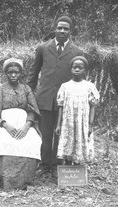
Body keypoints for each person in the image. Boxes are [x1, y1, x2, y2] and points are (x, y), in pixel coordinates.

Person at [27, 16, 83, 175]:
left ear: (70, 31)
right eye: (60, 28)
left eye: (66, 29)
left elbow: (80, 78)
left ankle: (58, 165)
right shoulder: (43, 48)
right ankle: (44, 164)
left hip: (66, 101)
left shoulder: (77, 52)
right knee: (45, 134)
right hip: (44, 98)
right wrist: (29, 95)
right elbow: (33, 73)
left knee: (61, 134)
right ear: (54, 29)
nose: (62, 31)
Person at [0, 58, 42, 190]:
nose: (13, 75)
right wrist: (5, 125)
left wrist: (27, 126)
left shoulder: (26, 89)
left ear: (21, 73)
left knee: (33, 141)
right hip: (5, 125)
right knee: (4, 142)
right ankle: (7, 180)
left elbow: (32, 110)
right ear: (5, 73)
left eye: (16, 72)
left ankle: (25, 179)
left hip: (24, 124)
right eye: (10, 72)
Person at [55, 56, 100, 165]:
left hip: (82, 122)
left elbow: (93, 105)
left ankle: (78, 167)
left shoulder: (89, 86)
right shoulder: (65, 86)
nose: (77, 70)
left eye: (80, 67)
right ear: (71, 69)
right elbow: (60, 106)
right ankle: (68, 167)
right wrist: (58, 125)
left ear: (84, 70)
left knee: (80, 141)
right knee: (68, 142)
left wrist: (90, 124)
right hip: (68, 122)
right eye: (74, 67)